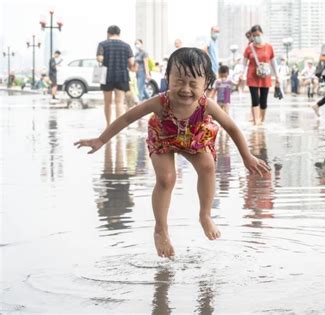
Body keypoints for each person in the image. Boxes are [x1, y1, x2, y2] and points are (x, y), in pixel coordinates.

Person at [74, 47, 270, 258]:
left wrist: (247, 156)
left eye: (194, 83)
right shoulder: (160, 102)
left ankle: (205, 215)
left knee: (208, 166)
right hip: (163, 137)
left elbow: (232, 128)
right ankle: (161, 228)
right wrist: (101, 140)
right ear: (167, 78)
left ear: (206, 84)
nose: (186, 89)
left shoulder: (207, 105)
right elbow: (126, 119)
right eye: (179, 81)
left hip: (194, 138)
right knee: (167, 179)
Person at [96, 25, 134, 126]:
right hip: (121, 76)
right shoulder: (126, 46)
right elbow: (131, 62)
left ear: (108, 33)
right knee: (119, 102)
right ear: (119, 34)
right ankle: (118, 127)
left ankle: (108, 125)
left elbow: (99, 58)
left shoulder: (102, 44)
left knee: (107, 102)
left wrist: (108, 58)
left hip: (107, 76)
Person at [243, 25, 280, 125]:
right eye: (254, 35)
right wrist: (242, 75)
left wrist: (277, 76)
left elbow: (273, 62)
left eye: (258, 35)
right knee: (255, 100)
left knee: (263, 101)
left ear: (262, 34)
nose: (256, 37)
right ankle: (257, 122)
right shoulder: (249, 48)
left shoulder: (269, 47)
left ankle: (262, 120)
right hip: (252, 76)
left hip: (265, 77)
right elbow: (244, 63)